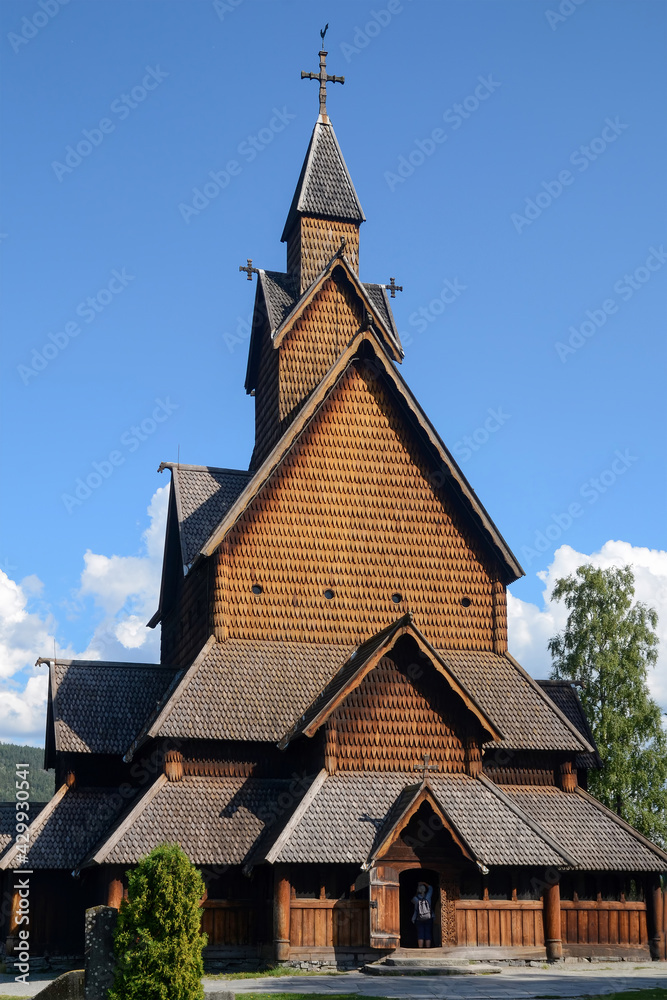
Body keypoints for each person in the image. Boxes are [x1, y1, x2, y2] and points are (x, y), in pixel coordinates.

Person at [410, 880, 433, 948]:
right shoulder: (428, 897)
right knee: (428, 932)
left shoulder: (415, 899)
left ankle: (420, 948)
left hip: (418, 918)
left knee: (420, 933)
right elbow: (431, 888)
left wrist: (417, 892)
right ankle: (428, 948)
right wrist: (424, 883)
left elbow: (412, 902)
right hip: (429, 917)